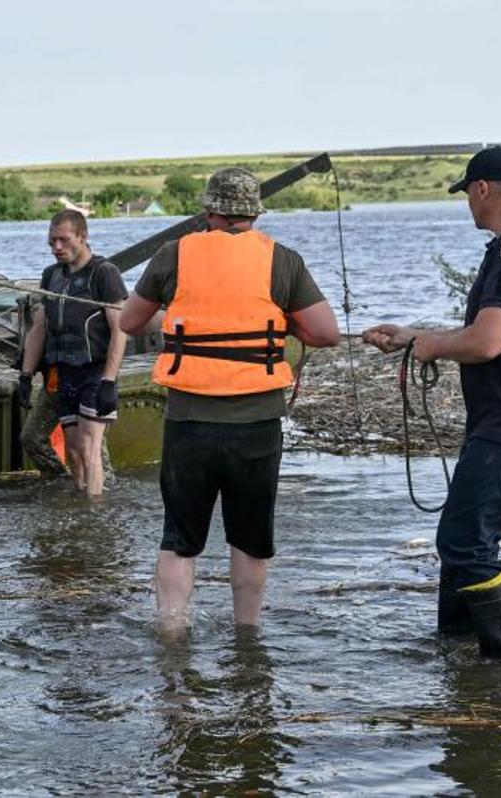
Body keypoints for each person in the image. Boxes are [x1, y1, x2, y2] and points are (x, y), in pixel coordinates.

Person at [363, 146, 501, 658]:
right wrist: (416, 336)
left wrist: (428, 345)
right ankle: (457, 658)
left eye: (467, 195)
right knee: (460, 543)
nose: (468, 206)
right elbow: (489, 333)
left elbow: (488, 341)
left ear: (481, 189)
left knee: (466, 545)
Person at [119, 168, 340, 629]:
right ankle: (247, 635)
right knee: (251, 539)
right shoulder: (283, 260)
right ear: (256, 212)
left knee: (179, 538)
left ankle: (173, 632)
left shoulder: (172, 254)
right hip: (257, 426)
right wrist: (283, 322)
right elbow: (325, 333)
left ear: (208, 211)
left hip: (189, 422)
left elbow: (129, 323)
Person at [19, 210, 127, 497]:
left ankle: (94, 514)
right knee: (75, 450)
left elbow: (120, 330)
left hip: (95, 371)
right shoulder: (50, 276)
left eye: (64, 240)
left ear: (83, 236)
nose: (57, 248)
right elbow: (39, 328)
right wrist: (26, 375)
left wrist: (109, 380)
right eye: (52, 242)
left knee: (91, 448)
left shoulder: (104, 273)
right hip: (63, 372)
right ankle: (80, 498)